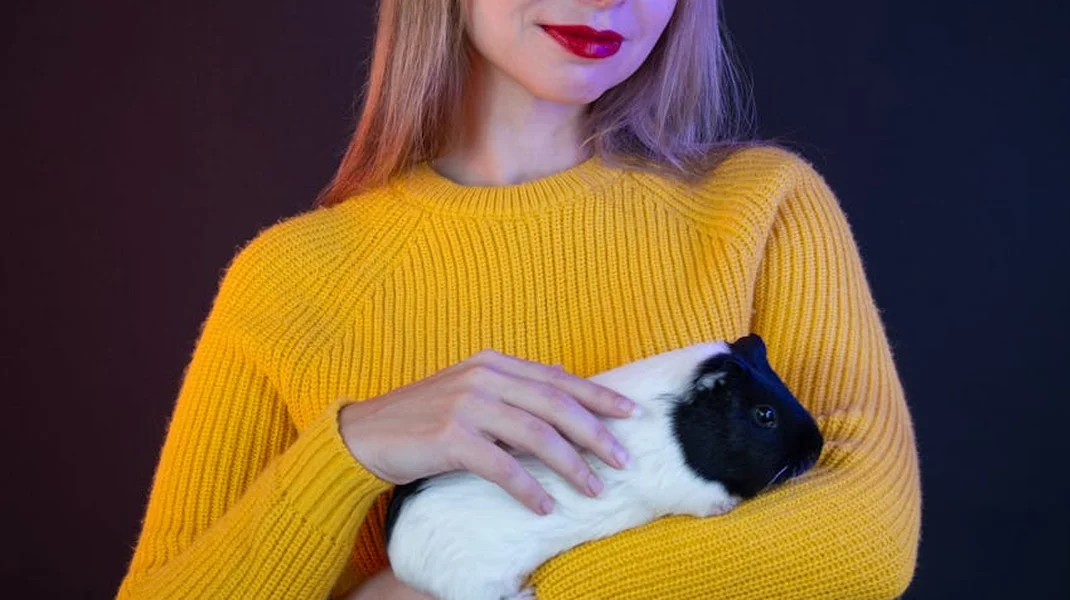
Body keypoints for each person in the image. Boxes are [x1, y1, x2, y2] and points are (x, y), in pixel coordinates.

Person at [116, 1, 921, 598]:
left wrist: (496, 588)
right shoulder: (293, 277)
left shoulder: (760, 208)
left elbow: (865, 537)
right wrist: (348, 454)